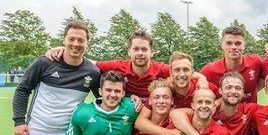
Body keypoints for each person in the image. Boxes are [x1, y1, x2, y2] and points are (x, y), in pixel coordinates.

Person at [45, 30, 210, 99]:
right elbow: (89, 61)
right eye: (136, 49)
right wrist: (64, 49)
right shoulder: (118, 66)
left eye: (144, 49)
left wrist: (202, 78)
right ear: (129, 51)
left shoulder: (161, 69)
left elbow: (184, 73)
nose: (140, 53)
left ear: (152, 52)